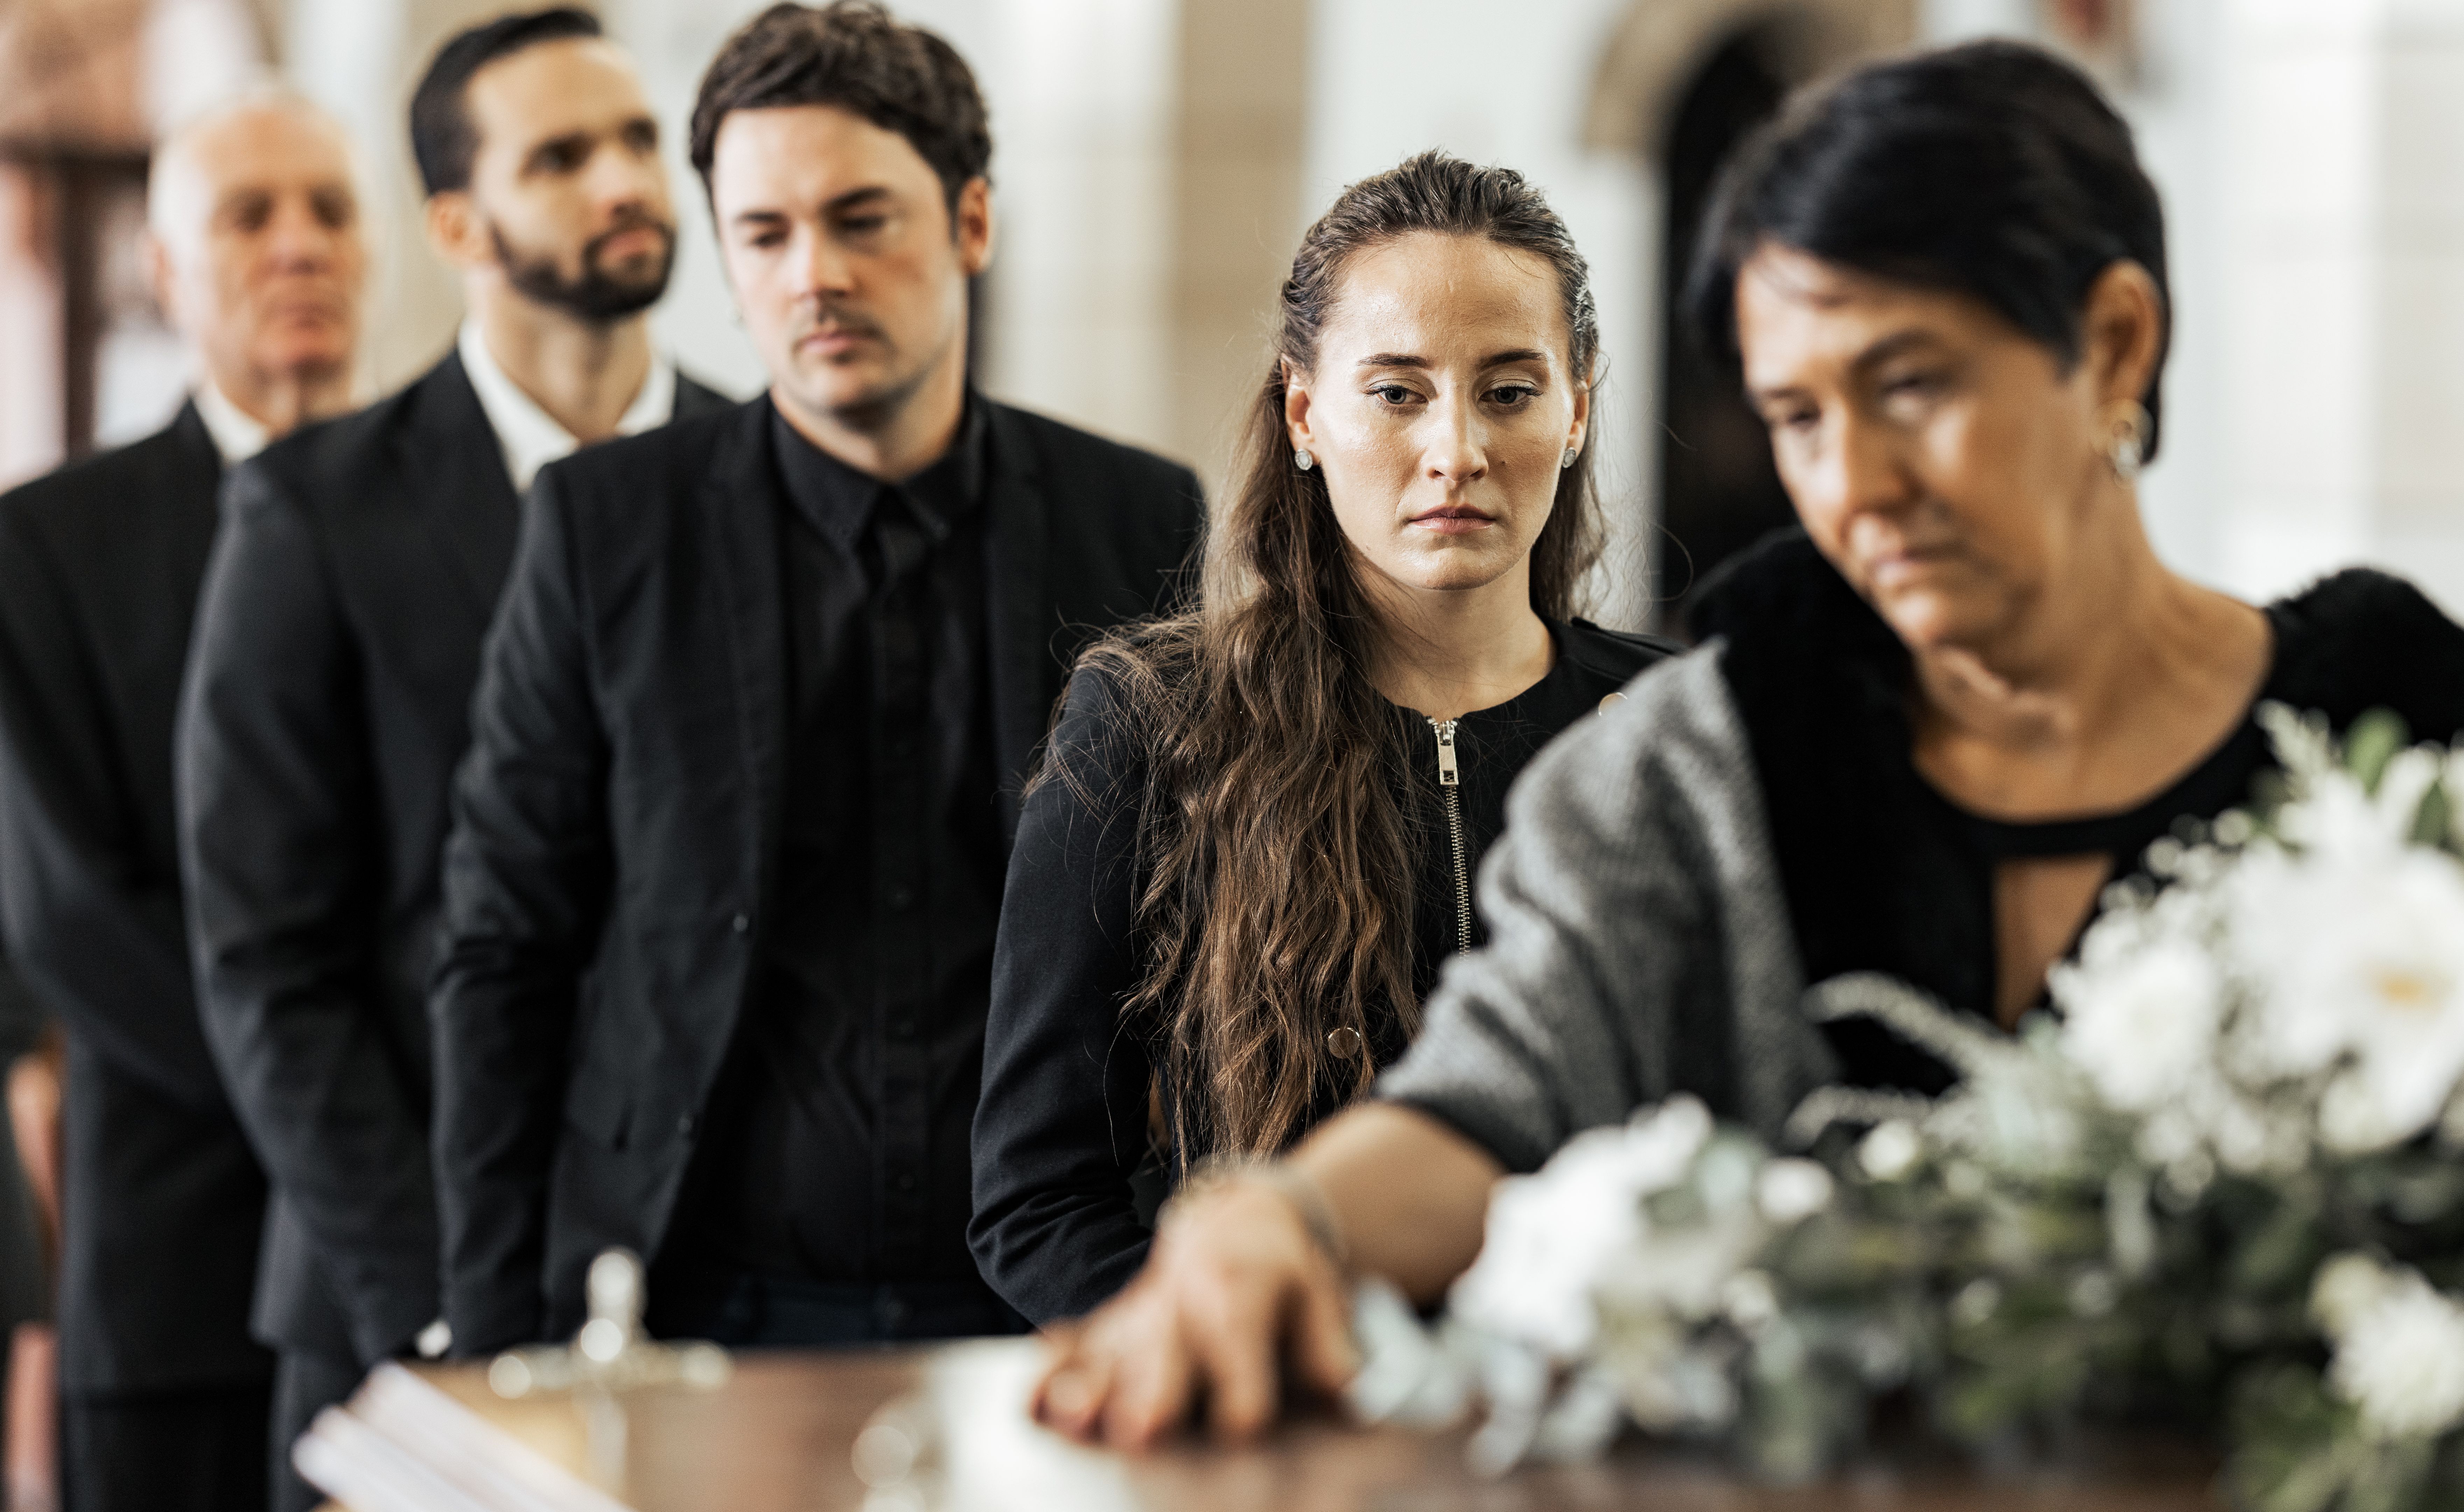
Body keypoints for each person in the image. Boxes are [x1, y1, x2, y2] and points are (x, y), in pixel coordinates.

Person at [1030, 40, 2464, 1449]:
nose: (1855, 485)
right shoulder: (1699, 754)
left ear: (2113, 346)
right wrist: (1280, 1224)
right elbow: (1499, 1091)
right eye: (1796, 415)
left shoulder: (2381, 723)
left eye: (1911, 385)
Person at [428, 0, 1202, 1359]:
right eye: (765, 235)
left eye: (863, 220)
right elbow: (504, 949)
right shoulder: (605, 526)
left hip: (1036, 1305)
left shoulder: (1133, 516)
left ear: (972, 222)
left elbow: (1192, 941)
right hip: (690, 1296)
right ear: (723, 259)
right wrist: (498, 1347)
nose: (813, 277)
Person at [969, 153, 1675, 1327]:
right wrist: (1217, 1353)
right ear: (1306, 411)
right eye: (1396, 393)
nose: (1455, 450)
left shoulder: (1667, 730)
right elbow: (1036, 1201)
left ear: (1578, 410)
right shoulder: (1156, 723)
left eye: (1508, 391)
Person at [175, 14, 728, 1510]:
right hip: (397, 1311)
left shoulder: (759, 487)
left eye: (633, 143)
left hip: (725, 1307)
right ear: (457, 222)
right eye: (561, 156)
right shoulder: (313, 514)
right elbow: (268, 963)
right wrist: (442, 1300)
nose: (622, 180)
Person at [0, 94, 365, 1512]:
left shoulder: (470, 516)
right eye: (247, 215)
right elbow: (70, 914)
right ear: (163, 270)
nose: (299, 247)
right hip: (182, 1257)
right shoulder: (47, 547)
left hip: (433, 1263)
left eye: (330, 211)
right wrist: (343, 1110)